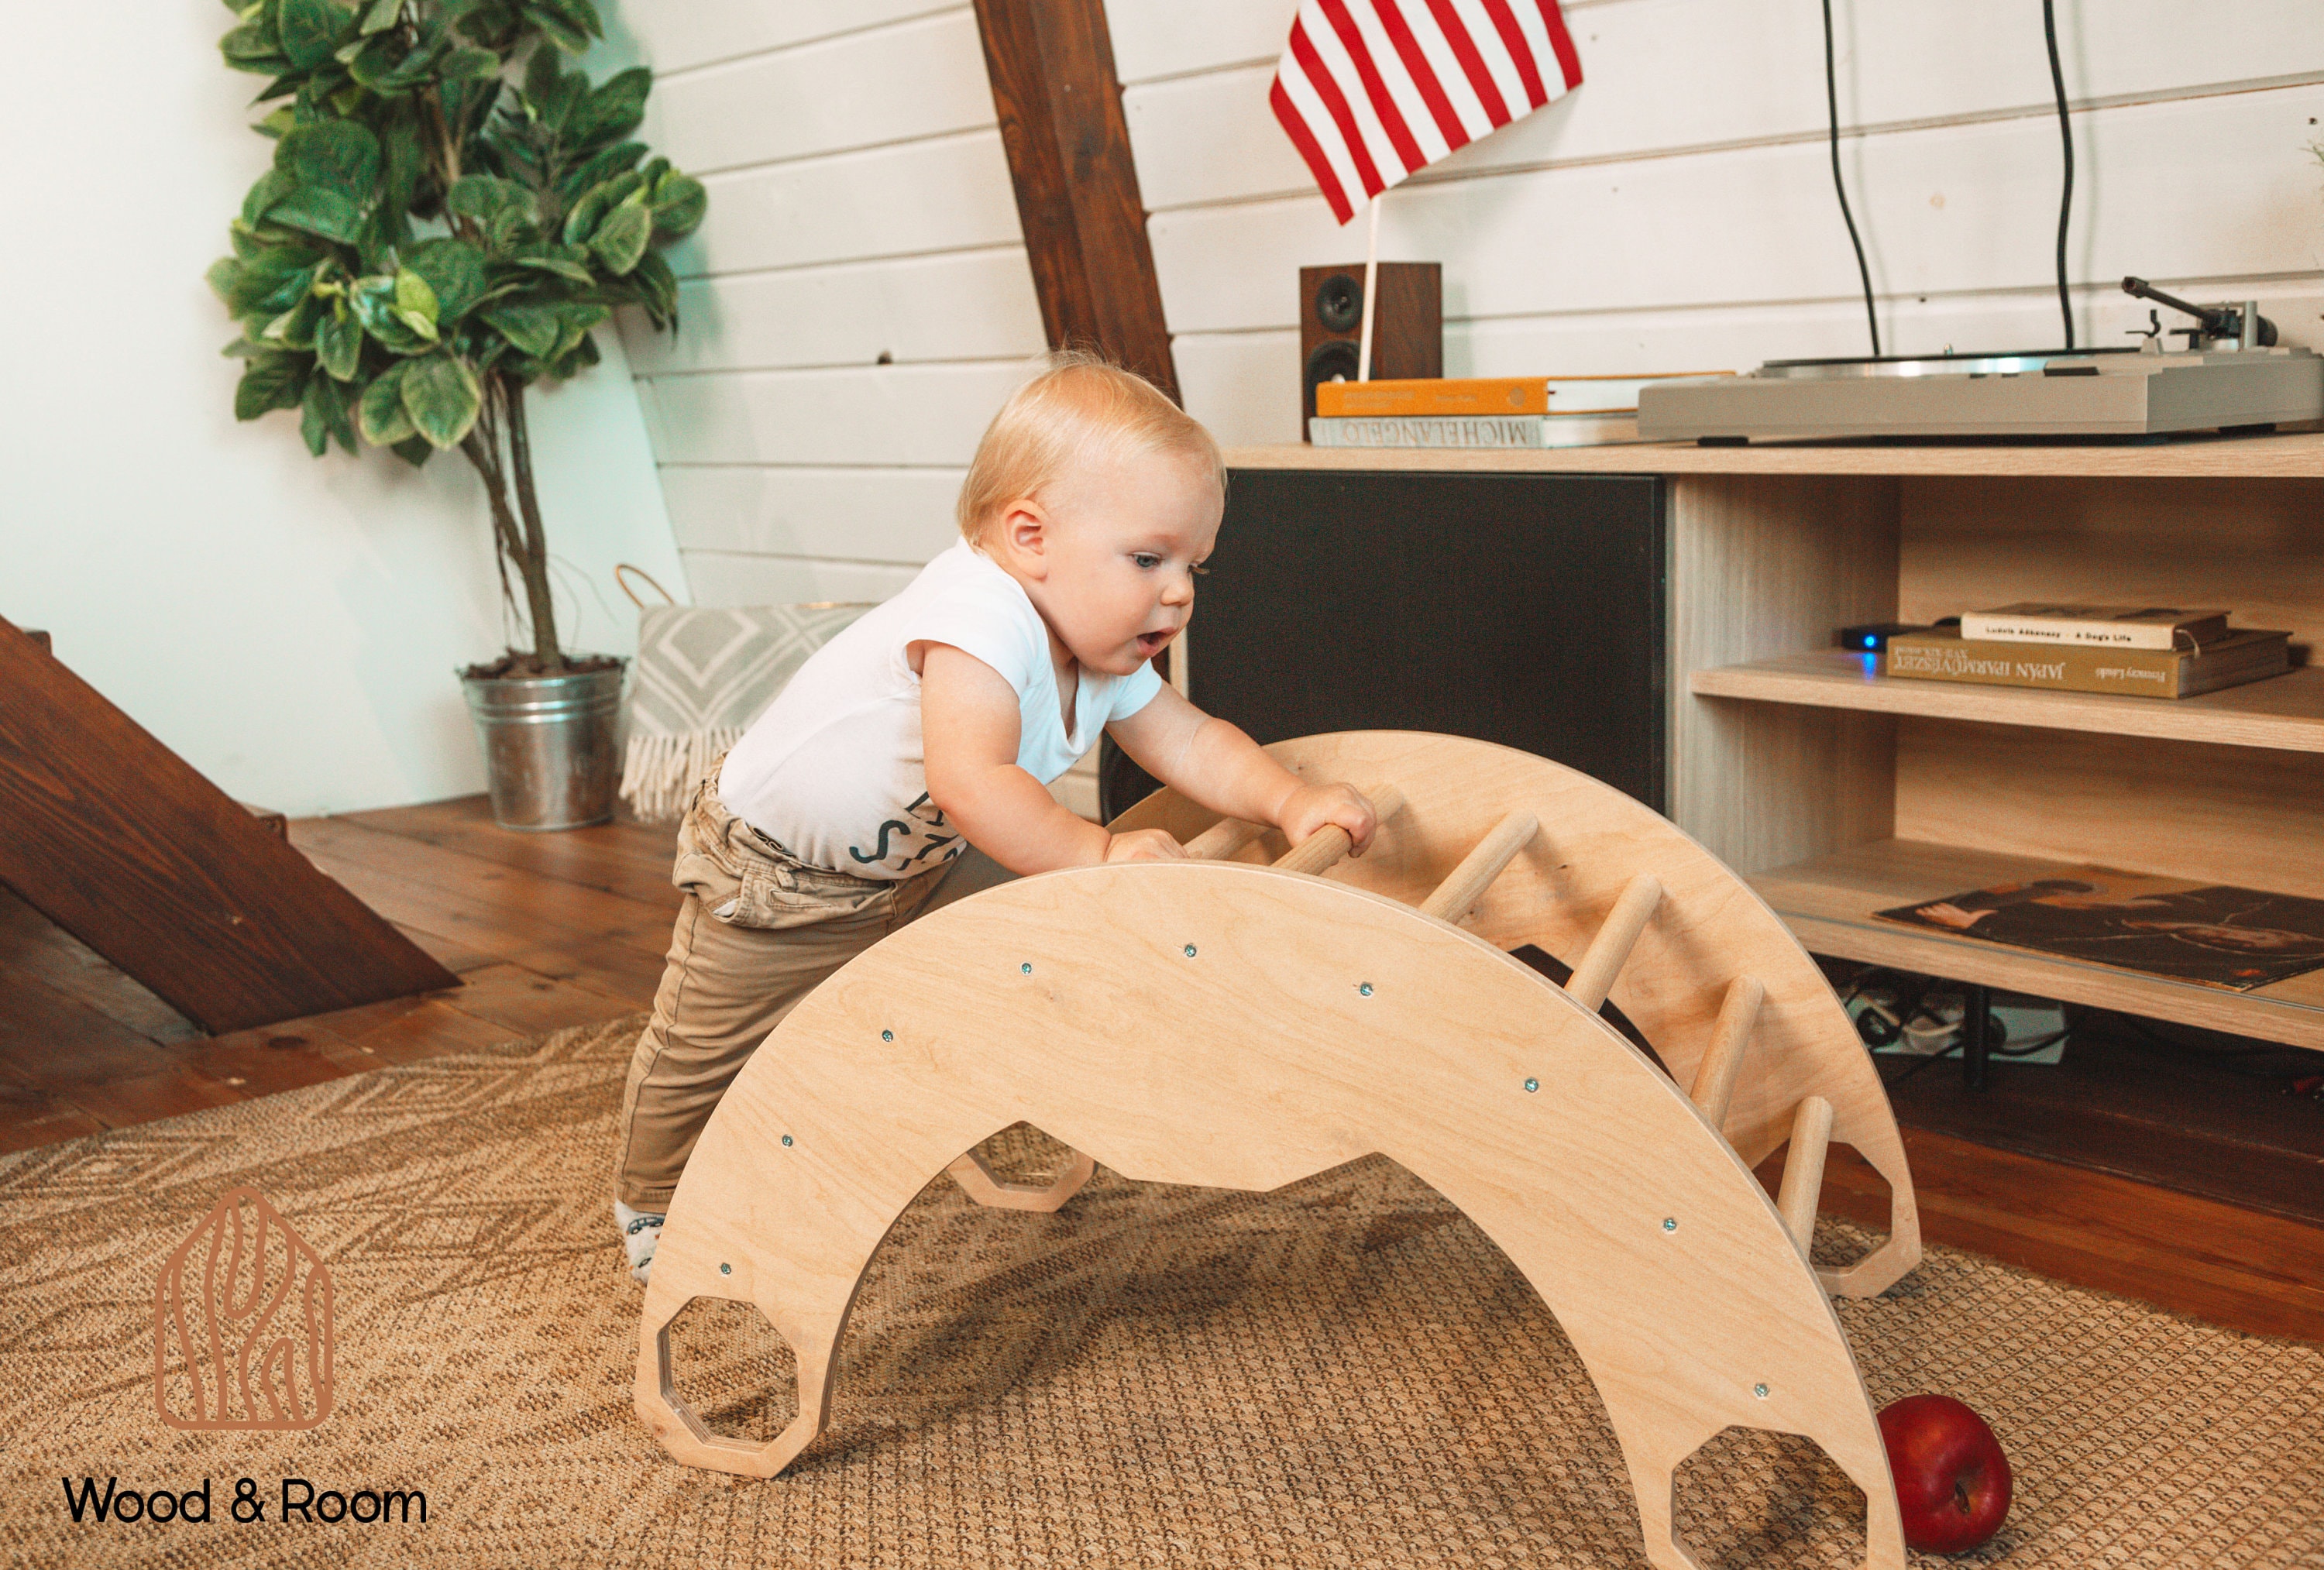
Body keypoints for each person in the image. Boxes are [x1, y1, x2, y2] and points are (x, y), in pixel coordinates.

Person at [611, 352, 1381, 1282]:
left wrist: (1290, 799)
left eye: (1192, 565)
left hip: (917, 864)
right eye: (1148, 558)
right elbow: (973, 780)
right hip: (777, 876)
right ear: (1029, 536)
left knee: (1021, 951)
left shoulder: (1098, 644)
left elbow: (1189, 739)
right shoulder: (979, 614)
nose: (1179, 590)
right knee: (703, 1048)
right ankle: (650, 1198)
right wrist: (1096, 850)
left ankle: (1000, 1089)